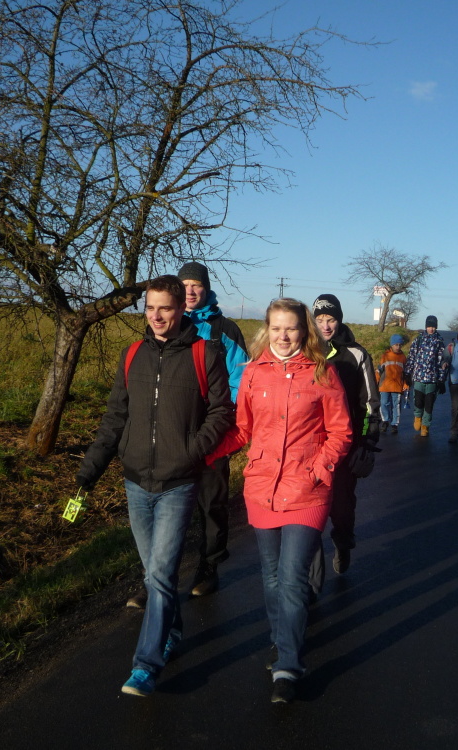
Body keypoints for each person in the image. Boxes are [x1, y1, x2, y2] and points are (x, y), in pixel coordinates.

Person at [75, 275, 234, 698]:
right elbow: (114, 419)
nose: (157, 316)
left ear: (182, 308)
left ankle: (145, 665)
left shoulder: (206, 354)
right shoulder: (132, 356)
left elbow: (222, 412)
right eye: (150, 308)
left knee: (162, 574)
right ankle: (172, 630)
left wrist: (191, 452)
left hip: (179, 483)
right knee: (153, 575)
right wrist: (89, 471)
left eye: (165, 308)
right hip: (135, 483)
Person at [206, 298, 352, 704]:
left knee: (291, 579)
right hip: (262, 489)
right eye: (276, 329)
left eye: (291, 328)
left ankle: (288, 663)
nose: (283, 336)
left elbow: (341, 432)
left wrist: (318, 469)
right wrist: (206, 452)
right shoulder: (252, 373)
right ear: (265, 331)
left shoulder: (323, 373)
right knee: (270, 577)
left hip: (307, 490)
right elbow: (242, 429)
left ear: (303, 331)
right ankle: (281, 639)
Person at [176, 261, 250, 598]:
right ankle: (159, 575)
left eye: (196, 285)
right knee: (169, 507)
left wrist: (222, 427)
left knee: (211, 504)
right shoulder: (169, 324)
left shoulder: (226, 330)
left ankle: (209, 567)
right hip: (174, 433)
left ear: (206, 288)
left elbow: (242, 383)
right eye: (185, 284)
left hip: (214, 434)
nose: (190, 291)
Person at [309, 293, 380, 585]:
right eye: (320, 319)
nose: (326, 325)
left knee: (341, 507)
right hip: (310, 449)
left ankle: (342, 542)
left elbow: (370, 404)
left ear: (340, 319)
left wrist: (365, 443)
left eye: (331, 319)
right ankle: (311, 583)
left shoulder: (356, 354)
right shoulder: (304, 352)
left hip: (344, 448)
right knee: (309, 513)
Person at [404, 315, 447, 436]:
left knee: (429, 404)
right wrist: (407, 373)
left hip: (432, 378)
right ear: (426, 326)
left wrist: (441, 379)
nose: (431, 329)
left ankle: (425, 425)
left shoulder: (439, 341)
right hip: (418, 377)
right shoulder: (419, 339)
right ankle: (417, 417)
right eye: (429, 326)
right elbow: (411, 356)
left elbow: (442, 361)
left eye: (433, 326)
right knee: (418, 401)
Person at [377, 333, 407, 434]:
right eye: (396, 345)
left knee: (396, 405)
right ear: (391, 345)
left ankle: (394, 424)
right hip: (385, 385)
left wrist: (406, 384)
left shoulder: (403, 357)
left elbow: (406, 373)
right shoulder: (385, 356)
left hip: (397, 386)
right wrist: (375, 381)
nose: (398, 347)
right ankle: (385, 420)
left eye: (400, 345)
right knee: (384, 403)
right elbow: (379, 370)